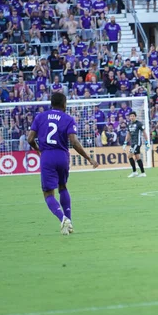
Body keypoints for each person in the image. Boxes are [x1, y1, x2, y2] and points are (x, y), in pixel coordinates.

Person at [26, 93, 99, 235]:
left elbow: (29, 139)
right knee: (63, 186)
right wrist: (89, 158)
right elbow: (74, 142)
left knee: (48, 193)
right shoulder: (68, 119)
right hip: (62, 156)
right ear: (64, 104)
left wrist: (39, 149)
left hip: (47, 155)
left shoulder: (40, 117)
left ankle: (63, 218)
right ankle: (69, 222)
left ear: (51, 103)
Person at [123, 111, 149, 178]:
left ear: (135, 116)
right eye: (130, 116)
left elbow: (144, 133)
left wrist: (147, 142)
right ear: (129, 117)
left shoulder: (139, 124)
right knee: (137, 157)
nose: (132, 117)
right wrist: (125, 142)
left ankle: (134, 172)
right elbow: (128, 134)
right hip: (133, 143)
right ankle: (143, 173)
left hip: (137, 143)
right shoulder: (129, 124)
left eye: (133, 116)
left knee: (129, 156)